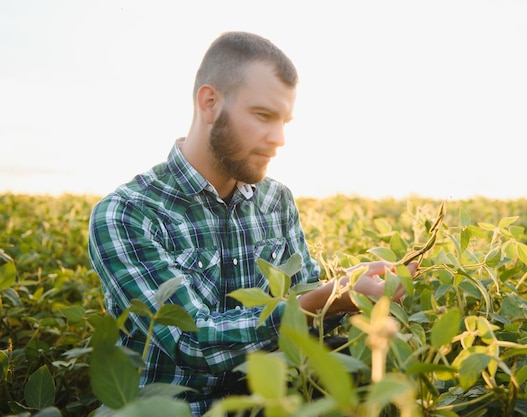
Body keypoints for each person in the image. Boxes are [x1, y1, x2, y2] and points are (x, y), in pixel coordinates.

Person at [88, 31, 414, 416]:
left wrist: (353, 297)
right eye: (263, 116)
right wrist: (325, 299)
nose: (278, 139)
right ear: (210, 103)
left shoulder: (277, 201)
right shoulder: (127, 213)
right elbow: (190, 341)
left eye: (285, 121)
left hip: (270, 404)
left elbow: (307, 314)